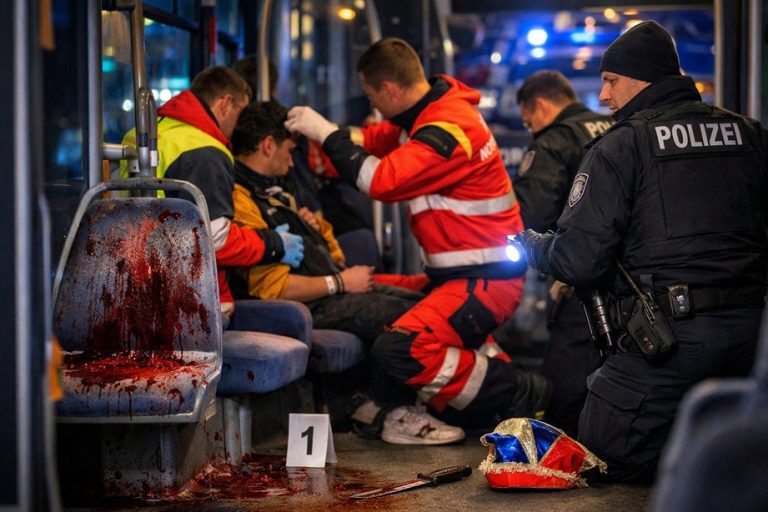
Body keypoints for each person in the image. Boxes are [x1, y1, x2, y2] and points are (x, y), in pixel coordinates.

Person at [515, 20, 768, 482]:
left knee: (605, 447)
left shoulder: (622, 145)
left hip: (668, 343)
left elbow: (578, 259)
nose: (605, 96)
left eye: (611, 81)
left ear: (643, 79)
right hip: (755, 335)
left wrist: (535, 248)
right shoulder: (748, 134)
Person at [284, 37, 552, 432]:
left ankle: (516, 390)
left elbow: (380, 179)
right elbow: (369, 142)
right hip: (462, 275)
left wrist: (323, 130)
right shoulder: (425, 118)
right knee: (373, 288)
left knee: (402, 349)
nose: (373, 105)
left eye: (372, 95)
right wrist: (320, 140)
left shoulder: (447, 128)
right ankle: (472, 387)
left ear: (390, 89)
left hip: (484, 281)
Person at [230, 100, 465, 445]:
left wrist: (316, 229)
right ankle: (395, 413)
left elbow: (329, 248)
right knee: (409, 319)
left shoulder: (275, 191)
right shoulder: (243, 198)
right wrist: (340, 282)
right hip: (308, 306)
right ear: (268, 144)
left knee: (429, 305)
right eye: (289, 146)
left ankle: (395, 403)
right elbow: (272, 289)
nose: (293, 155)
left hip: (331, 290)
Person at [121, 66, 304, 326]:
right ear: (226, 103)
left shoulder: (145, 134)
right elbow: (215, 241)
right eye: (242, 110)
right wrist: (274, 244)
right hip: (190, 305)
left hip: (134, 286)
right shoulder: (204, 150)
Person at [514, 70, 613, 437]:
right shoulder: (617, 124)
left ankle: (562, 452)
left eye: (528, 120)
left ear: (540, 104)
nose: (530, 129)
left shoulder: (555, 139)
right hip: (634, 283)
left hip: (580, 280)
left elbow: (532, 212)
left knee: (566, 378)